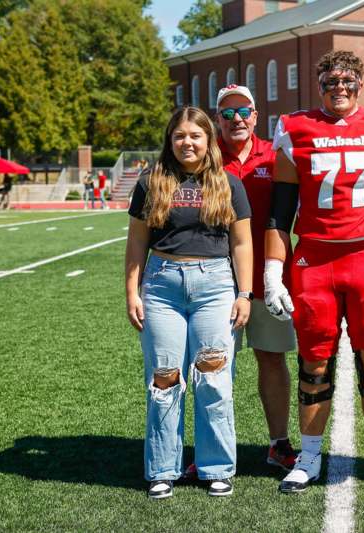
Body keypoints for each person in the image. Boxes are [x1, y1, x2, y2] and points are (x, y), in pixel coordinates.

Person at [265, 50, 364, 494]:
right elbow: (280, 213)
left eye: (348, 80)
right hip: (314, 261)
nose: (340, 87)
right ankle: (311, 456)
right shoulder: (295, 127)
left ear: (360, 83)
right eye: (331, 81)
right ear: (320, 86)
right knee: (313, 364)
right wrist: (272, 275)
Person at [124, 106, 253, 500]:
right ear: (170, 140)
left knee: (213, 378)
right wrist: (132, 290)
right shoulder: (151, 182)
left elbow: (242, 242)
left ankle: (216, 468)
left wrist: (244, 293)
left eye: (195, 136)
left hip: (214, 285)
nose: (187, 142)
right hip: (162, 285)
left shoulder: (228, 184)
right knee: (165, 379)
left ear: (208, 141)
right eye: (179, 135)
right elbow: (136, 244)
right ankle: (164, 468)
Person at [215, 84, 299, 471]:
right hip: (216, 279)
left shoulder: (276, 154)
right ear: (218, 119)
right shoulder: (204, 155)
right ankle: (212, 449)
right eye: (227, 113)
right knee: (213, 364)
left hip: (270, 276)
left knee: (272, 358)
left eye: (243, 112)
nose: (236, 120)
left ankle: (278, 443)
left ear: (256, 115)